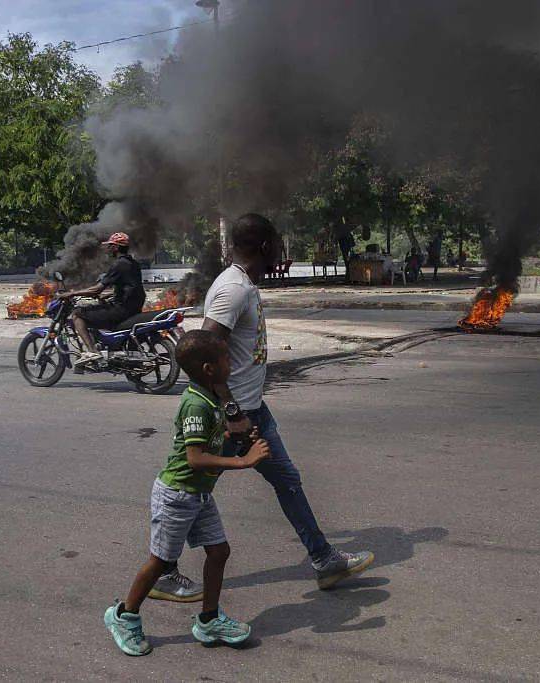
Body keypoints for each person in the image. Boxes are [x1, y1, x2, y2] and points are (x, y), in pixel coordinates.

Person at [151, 214, 374, 602]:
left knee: (287, 480)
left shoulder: (245, 285)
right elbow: (205, 355)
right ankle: (163, 571)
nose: (280, 255)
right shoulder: (232, 290)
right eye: (277, 246)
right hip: (233, 416)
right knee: (189, 489)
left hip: (253, 408)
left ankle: (324, 560)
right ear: (265, 247)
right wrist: (232, 414)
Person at [103, 329, 271, 656]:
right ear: (209, 368)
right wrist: (243, 461)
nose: (231, 362)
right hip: (177, 494)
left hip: (198, 494)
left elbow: (211, 437)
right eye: (225, 358)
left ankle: (208, 620)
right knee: (160, 561)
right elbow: (195, 458)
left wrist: (234, 432)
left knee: (219, 552)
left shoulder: (210, 395)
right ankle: (124, 615)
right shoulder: (196, 404)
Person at [57, 232, 146, 366]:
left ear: (116, 247)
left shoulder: (119, 264)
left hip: (122, 309)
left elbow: (97, 289)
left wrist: (71, 294)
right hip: (134, 307)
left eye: (110, 246)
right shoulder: (133, 263)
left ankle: (92, 352)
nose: (108, 249)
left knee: (78, 315)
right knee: (99, 309)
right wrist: (108, 295)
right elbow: (129, 286)